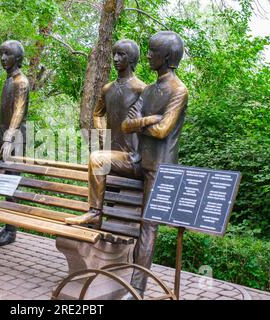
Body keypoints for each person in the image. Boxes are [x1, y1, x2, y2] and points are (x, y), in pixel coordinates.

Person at [121, 31, 188, 298]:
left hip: (160, 169)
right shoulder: (148, 90)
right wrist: (148, 120)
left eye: (153, 51)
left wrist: (144, 124)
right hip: (139, 161)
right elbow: (128, 125)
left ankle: (136, 288)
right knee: (100, 164)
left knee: (148, 227)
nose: (147, 55)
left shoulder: (178, 91)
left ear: (167, 57)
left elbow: (163, 131)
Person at [64, 39, 152, 226]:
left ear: (132, 59)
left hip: (132, 157)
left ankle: (95, 213)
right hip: (111, 154)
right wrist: (103, 133)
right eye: (114, 54)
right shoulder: (107, 89)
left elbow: (147, 125)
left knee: (97, 159)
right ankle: (97, 225)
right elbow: (97, 113)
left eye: (121, 54)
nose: (115, 58)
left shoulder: (141, 89)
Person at [0, 40, 29, 246]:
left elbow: (19, 111)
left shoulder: (21, 82)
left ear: (18, 58)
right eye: (1, 54)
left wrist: (8, 137)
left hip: (14, 136)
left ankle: (11, 231)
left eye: (8, 54)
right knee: (5, 181)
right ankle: (7, 225)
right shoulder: (7, 81)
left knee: (12, 181)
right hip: (4, 133)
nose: (3, 58)